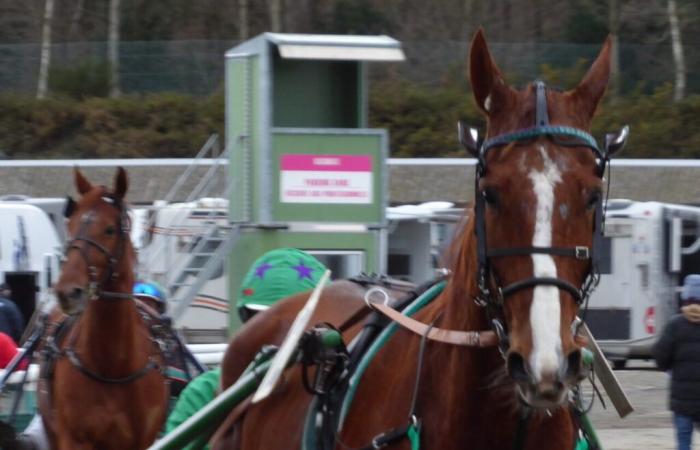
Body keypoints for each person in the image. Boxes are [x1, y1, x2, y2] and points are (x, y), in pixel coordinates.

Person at [654, 274, 700, 450]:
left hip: (682, 401)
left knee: (683, 445)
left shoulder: (675, 325)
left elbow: (660, 359)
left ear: (686, 297)